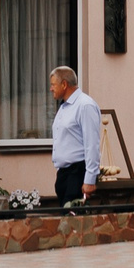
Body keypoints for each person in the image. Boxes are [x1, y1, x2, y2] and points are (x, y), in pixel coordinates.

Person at [48, 66, 102, 208]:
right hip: (64, 174)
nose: (51, 89)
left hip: (78, 172)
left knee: (72, 223)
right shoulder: (64, 107)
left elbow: (92, 144)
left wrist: (90, 179)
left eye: (53, 84)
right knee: (66, 223)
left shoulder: (85, 105)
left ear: (64, 84)